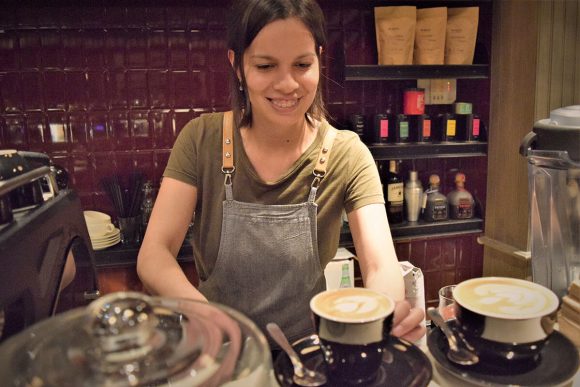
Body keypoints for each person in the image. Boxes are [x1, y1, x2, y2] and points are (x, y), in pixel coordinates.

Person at [137, 0, 425, 346]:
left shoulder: (347, 154)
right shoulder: (202, 139)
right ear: (238, 66)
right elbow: (154, 254)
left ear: (320, 58)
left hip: (309, 355)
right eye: (266, 66)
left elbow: (380, 264)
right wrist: (208, 315)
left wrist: (387, 311)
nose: (287, 84)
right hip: (220, 350)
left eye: (302, 64)